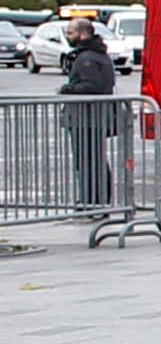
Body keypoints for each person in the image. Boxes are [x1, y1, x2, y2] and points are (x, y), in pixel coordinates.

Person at [58, 16, 115, 205]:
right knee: (96, 159)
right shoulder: (99, 54)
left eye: (71, 32)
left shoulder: (87, 58)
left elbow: (92, 86)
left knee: (86, 161)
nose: (68, 36)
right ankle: (97, 200)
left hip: (86, 118)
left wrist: (66, 90)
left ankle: (90, 200)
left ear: (82, 34)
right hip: (94, 117)